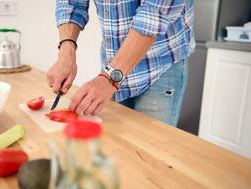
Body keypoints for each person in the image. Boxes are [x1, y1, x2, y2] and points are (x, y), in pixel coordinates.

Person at [47, 0, 195, 127]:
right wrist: (66, 51)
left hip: (159, 67)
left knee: (150, 151)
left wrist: (110, 78)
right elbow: (71, 3)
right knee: (116, 146)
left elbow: (153, 16)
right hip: (111, 67)